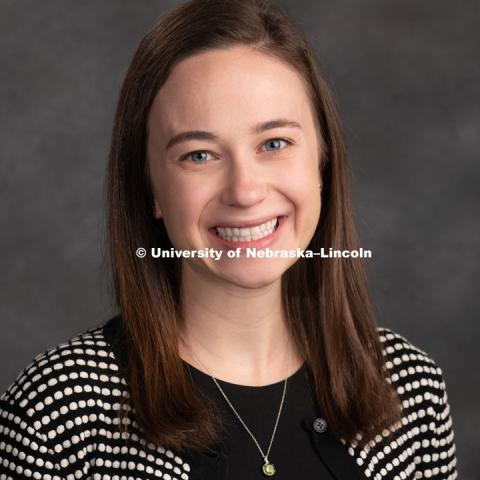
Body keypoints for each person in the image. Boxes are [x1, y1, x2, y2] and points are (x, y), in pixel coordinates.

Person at [0, 1, 458, 479]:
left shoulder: (409, 389)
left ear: (321, 160)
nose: (245, 190)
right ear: (151, 188)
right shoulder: (56, 416)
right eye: (199, 154)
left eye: (274, 144)